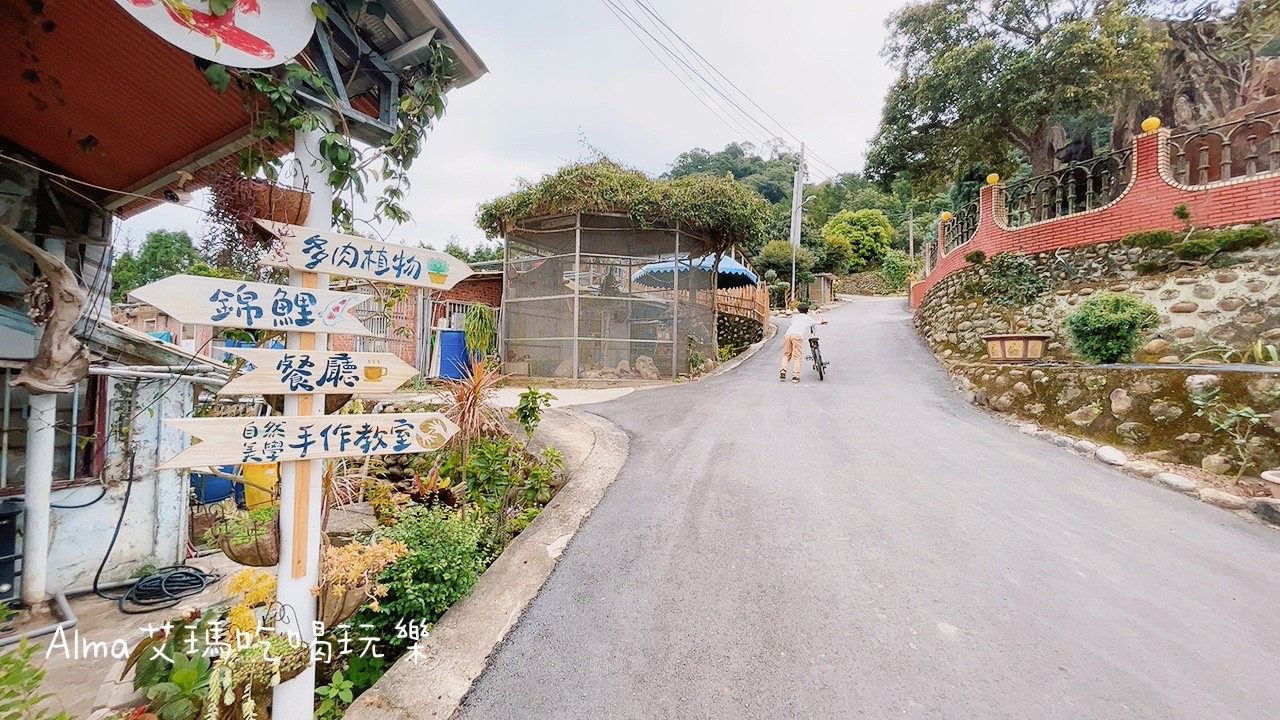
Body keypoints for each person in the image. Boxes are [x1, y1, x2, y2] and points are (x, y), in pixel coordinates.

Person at [779, 304, 826, 383]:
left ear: (798, 310)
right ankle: (795, 376)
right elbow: (817, 322)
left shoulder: (794, 317)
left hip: (787, 335)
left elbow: (793, 322)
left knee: (787, 354)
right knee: (797, 357)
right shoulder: (807, 318)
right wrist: (821, 321)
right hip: (797, 336)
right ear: (807, 310)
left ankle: (783, 371)